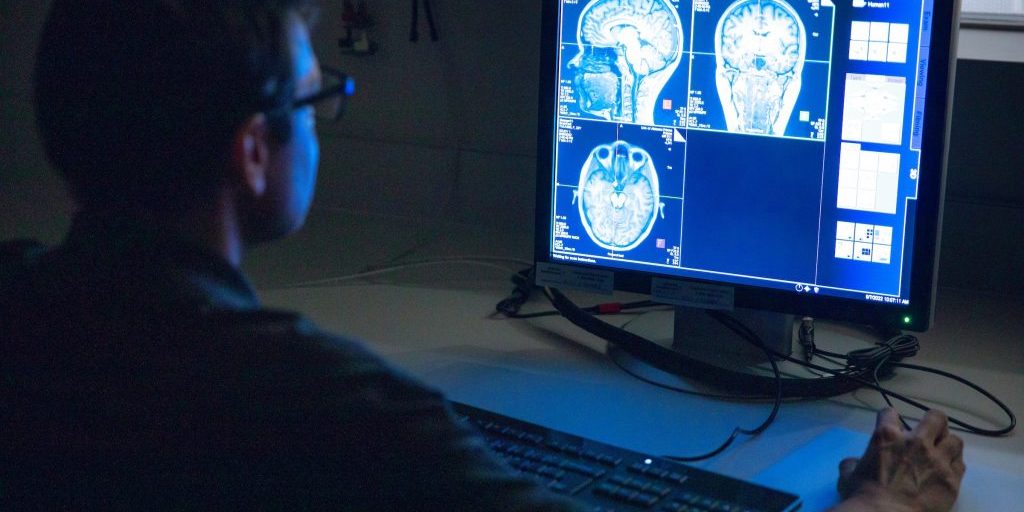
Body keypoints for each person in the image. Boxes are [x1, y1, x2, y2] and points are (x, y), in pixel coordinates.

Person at [0, 1, 964, 510]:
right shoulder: (336, 413)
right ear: (253, 151)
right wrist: (893, 505)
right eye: (318, 97)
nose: (327, 120)